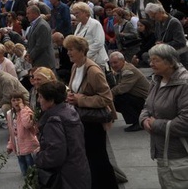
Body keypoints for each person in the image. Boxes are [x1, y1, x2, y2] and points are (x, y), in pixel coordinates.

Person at [63, 35, 118, 189]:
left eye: (71, 49)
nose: (68, 53)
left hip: (93, 121)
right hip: (83, 118)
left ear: (82, 51)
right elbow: (75, 89)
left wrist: (81, 100)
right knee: (89, 157)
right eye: (67, 49)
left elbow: (106, 98)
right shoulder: (75, 66)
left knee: (98, 157)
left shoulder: (93, 70)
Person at [139, 44, 188, 189]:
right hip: (162, 150)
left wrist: (155, 124)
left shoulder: (184, 84)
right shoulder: (157, 80)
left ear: (170, 62)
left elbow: (185, 122)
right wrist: (143, 120)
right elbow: (147, 106)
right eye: (150, 60)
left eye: (156, 60)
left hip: (179, 153)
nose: (151, 64)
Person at [33, 81, 90, 189]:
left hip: (64, 177)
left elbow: (55, 154)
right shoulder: (69, 111)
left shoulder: (54, 121)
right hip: (78, 170)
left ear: (51, 100)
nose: (38, 100)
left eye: (41, 97)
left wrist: (38, 157)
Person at [109, 51, 150, 132]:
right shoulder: (123, 68)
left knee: (119, 98)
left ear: (123, 61)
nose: (113, 65)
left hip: (146, 101)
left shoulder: (128, 71)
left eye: (115, 62)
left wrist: (107, 94)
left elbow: (122, 89)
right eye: (111, 63)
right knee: (117, 98)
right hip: (141, 98)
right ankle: (138, 119)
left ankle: (137, 122)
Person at [5, 92, 39, 176]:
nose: (16, 102)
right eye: (13, 100)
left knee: (31, 169)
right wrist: (10, 145)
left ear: (23, 101)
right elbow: (12, 132)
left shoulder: (27, 111)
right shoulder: (10, 114)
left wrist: (23, 109)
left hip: (28, 145)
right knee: (24, 171)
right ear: (10, 102)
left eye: (18, 100)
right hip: (18, 146)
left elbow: (27, 124)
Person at [71, 2, 108, 70]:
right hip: (83, 61)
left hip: (96, 60)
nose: (75, 15)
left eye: (77, 13)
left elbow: (99, 43)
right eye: (74, 13)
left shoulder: (95, 24)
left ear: (85, 12)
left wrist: (84, 54)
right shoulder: (79, 25)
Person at [24, 5, 56, 70]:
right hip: (37, 60)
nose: (26, 16)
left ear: (35, 13)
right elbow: (30, 42)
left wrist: (30, 56)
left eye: (28, 13)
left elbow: (41, 45)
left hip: (44, 61)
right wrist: (28, 53)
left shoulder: (42, 26)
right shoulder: (33, 25)